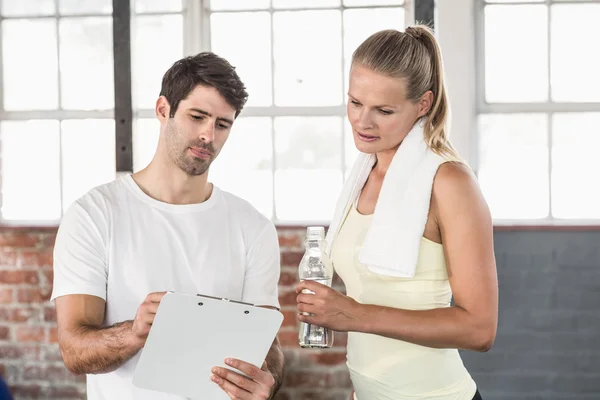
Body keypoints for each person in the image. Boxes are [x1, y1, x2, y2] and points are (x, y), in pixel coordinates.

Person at [51, 52, 284, 400]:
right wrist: (135, 332)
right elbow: (74, 350)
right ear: (163, 110)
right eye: (197, 116)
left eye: (222, 124)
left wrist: (269, 380)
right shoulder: (94, 215)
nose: (209, 135)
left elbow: (269, 349)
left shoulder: (253, 227)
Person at [296, 25, 498, 400]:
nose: (362, 121)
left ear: (423, 104)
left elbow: (480, 329)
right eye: (355, 102)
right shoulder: (364, 173)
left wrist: (353, 315)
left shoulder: (449, 181)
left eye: (383, 110)